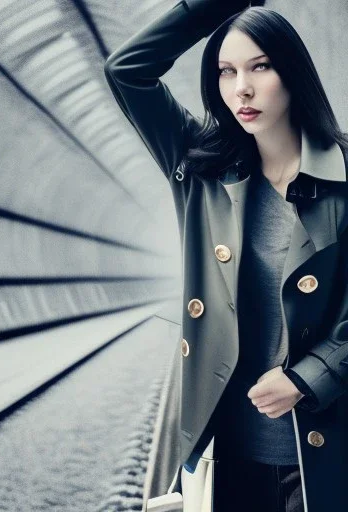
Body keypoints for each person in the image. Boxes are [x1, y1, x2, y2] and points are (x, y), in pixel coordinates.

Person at [104, 1, 348, 511]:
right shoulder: (201, 167)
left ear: (293, 71)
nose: (242, 88)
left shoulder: (342, 177)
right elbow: (127, 71)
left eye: (260, 66)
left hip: (322, 448)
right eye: (226, 71)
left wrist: (308, 377)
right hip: (229, 453)